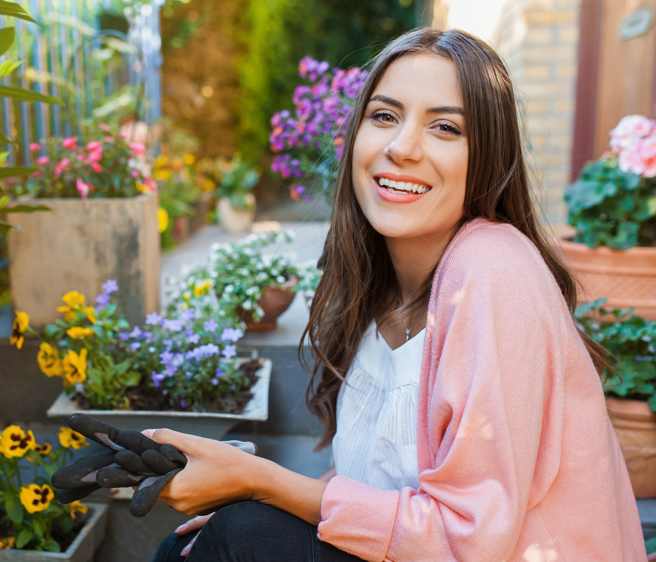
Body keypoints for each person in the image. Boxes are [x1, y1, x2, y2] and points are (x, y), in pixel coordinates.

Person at [151, 28, 646, 562]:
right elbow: (380, 476)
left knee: (240, 535)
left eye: (445, 127)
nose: (401, 147)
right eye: (384, 116)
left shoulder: (493, 269)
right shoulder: (381, 284)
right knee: (189, 545)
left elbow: (469, 540)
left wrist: (260, 485)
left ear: (487, 158)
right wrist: (253, 494)